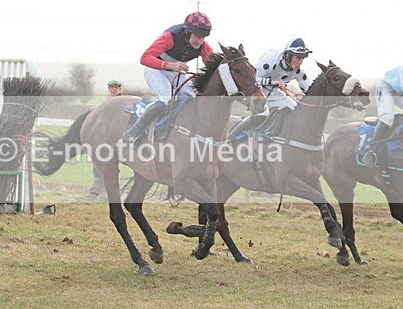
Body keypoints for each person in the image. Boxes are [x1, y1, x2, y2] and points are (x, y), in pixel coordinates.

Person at [122, 11, 214, 143]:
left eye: (203, 37)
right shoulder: (170, 37)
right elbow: (145, 58)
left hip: (173, 70)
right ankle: (134, 131)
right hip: (154, 68)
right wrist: (170, 65)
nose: (200, 42)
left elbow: (214, 66)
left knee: (194, 97)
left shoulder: (203, 46)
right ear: (187, 32)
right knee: (167, 99)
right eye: (198, 36)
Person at [227, 37, 312, 140]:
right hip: (256, 91)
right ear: (288, 55)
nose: (300, 62)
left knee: (295, 111)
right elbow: (252, 79)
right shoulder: (271, 59)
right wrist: (271, 82)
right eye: (298, 58)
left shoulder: (299, 71)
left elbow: (309, 89)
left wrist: (304, 96)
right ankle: (230, 137)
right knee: (263, 114)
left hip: (273, 92)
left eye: (302, 58)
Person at [88, 79, 124, 198]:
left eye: (116, 87)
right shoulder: (106, 104)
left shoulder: (124, 102)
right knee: (99, 162)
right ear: (109, 90)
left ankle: (105, 192)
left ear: (120, 89)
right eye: (112, 87)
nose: (114, 89)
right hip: (107, 139)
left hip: (119, 139)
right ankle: (96, 190)